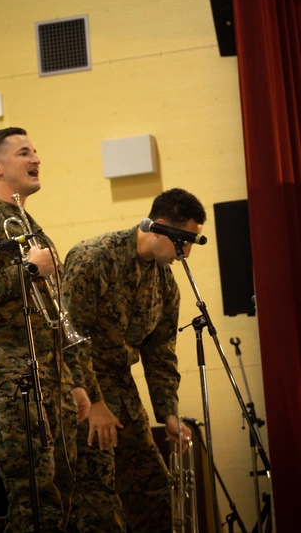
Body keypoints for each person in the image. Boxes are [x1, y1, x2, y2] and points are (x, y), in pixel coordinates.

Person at [0, 127, 82, 533]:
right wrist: (27, 269)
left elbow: (53, 313)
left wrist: (74, 381)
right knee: (34, 500)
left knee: (61, 494)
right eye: (25, 152)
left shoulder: (33, 228)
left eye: (36, 150)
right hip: (9, 374)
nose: (37, 158)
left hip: (52, 374)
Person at [62, 188, 205, 533]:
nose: (186, 253)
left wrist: (168, 412)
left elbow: (161, 353)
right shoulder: (93, 258)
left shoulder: (166, 283)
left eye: (192, 243)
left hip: (121, 388)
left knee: (152, 485)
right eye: (182, 241)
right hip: (77, 390)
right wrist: (94, 403)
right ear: (158, 227)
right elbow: (69, 336)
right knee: (98, 499)